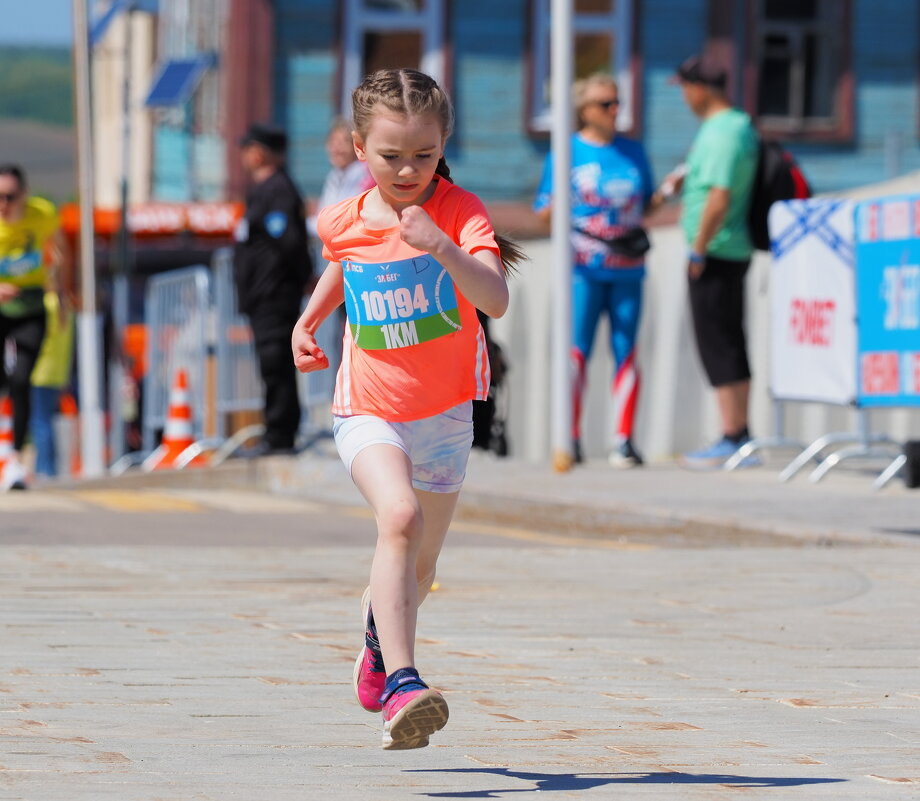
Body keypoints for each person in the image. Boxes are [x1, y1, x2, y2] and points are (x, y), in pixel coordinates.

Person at [291, 68, 522, 750]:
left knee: (418, 566)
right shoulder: (342, 215)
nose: (408, 169)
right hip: (367, 406)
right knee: (400, 516)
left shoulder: (459, 211)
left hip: (447, 412)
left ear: (442, 142)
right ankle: (404, 683)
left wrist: (443, 247)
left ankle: (375, 636)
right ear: (360, 148)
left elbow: (496, 299)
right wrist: (308, 322)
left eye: (423, 154)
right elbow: (344, 260)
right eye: (391, 155)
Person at [534, 73, 658, 467]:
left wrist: (668, 192)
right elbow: (543, 213)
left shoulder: (634, 151)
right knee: (578, 352)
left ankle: (624, 440)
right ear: (585, 111)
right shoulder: (565, 151)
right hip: (584, 269)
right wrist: (559, 205)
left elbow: (648, 204)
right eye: (606, 104)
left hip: (628, 268)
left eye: (617, 102)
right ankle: (570, 437)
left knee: (626, 350)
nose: (615, 110)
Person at [671, 55, 760, 469]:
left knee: (719, 344)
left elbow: (720, 196)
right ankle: (739, 435)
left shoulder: (724, 132)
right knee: (729, 341)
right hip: (727, 250)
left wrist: (698, 248)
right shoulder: (733, 126)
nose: (684, 98)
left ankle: (734, 436)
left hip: (717, 250)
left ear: (700, 89)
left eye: (686, 88)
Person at [235, 123, 313, 455]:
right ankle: (276, 430)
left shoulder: (277, 191)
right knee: (271, 364)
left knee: (276, 362)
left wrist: (295, 282)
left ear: (260, 152)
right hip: (262, 295)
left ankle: (280, 434)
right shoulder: (262, 191)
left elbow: (290, 244)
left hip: (275, 295)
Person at [0, 164, 72, 490]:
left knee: (21, 378)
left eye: (9, 197)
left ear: (24, 195)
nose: (3, 204)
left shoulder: (43, 214)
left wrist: (64, 291)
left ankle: (15, 457)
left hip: (30, 304)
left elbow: (62, 249)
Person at [30, 291, 74, 479]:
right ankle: (48, 467)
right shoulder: (66, 305)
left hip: (40, 370)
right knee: (46, 421)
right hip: (57, 372)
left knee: (40, 422)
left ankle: (45, 469)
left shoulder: (46, 304)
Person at [307, 116, 375, 237]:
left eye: (343, 142)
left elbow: (343, 221)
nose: (336, 148)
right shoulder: (333, 176)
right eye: (332, 142)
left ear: (356, 146)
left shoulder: (364, 176)